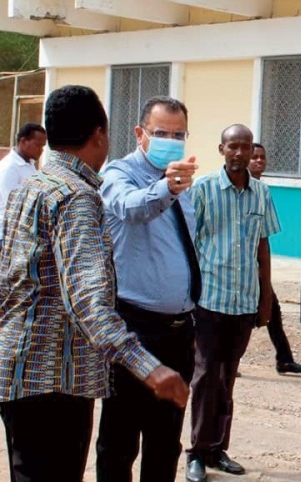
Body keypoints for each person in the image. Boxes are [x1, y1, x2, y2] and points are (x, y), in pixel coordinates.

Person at [0, 85, 188, 482]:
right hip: (55, 379)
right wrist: (150, 368)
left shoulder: (30, 187)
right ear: (101, 135)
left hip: (20, 371)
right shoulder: (77, 198)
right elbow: (86, 302)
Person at [95, 96, 200, 482]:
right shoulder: (120, 174)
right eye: (160, 133)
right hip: (134, 328)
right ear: (140, 134)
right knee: (120, 439)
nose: (170, 141)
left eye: (178, 134)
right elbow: (132, 208)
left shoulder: (182, 182)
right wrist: (168, 187)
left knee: (166, 438)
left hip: (179, 329)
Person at [186, 124, 281, 482]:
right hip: (210, 300)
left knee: (228, 380)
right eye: (233, 147)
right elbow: (189, 244)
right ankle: (195, 451)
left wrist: (265, 298)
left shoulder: (261, 193)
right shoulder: (205, 190)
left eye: (245, 147)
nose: (239, 153)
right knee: (205, 376)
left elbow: (263, 247)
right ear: (221, 149)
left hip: (244, 302)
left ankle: (217, 449)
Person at [248, 143, 301, 375]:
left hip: (257, 264)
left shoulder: (261, 189)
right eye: (254, 157)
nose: (259, 161)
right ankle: (223, 362)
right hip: (242, 266)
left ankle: (284, 358)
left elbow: (264, 237)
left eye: (262, 157)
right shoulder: (241, 188)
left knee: (271, 310)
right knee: (244, 317)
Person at [0, 122, 47, 240]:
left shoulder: (29, 163)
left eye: (43, 146)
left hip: (21, 234)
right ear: (23, 142)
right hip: (7, 236)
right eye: (37, 145)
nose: (41, 150)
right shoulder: (9, 168)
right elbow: (12, 206)